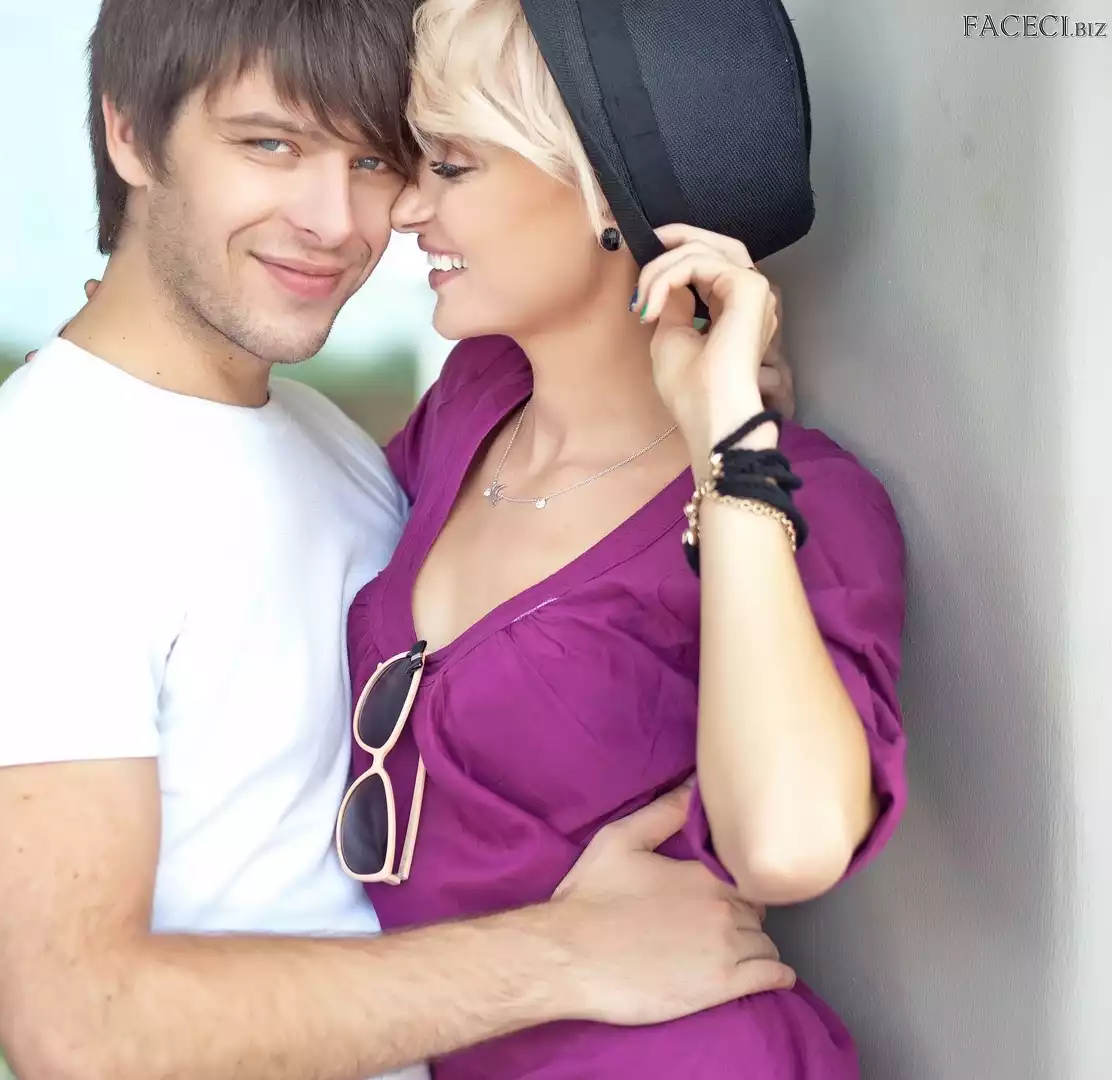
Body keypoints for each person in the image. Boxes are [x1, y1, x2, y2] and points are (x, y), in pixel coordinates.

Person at [0, 2, 798, 1078]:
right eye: (270, 145)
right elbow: (83, 1029)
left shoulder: (339, 447)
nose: (335, 221)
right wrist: (570, 956)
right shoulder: (22, 507)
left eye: (372, 161)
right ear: (128, 132)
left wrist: (698, 417)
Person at [334, 0, 909, 1076]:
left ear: (606, 194)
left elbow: (787, 846)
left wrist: (728, 445)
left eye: (452, 165)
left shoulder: (810, 499)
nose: (408, 205)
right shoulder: (470, 405)